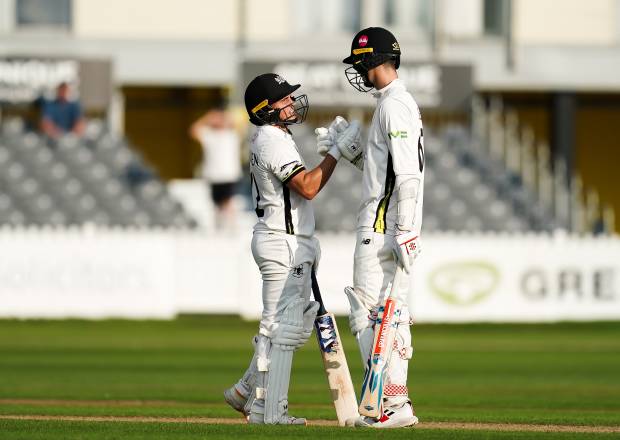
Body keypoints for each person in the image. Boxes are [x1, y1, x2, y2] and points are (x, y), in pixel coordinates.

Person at [223, 73, 351, 425]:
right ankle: (269, 411)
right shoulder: (271, 140)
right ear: (266, 109)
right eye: (285, 99)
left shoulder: (272, 136)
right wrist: (336, 153)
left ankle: (246, 392)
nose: (292, 103)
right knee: (284, 328)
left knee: (280, 326)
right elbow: (308, 187)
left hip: (282, 238)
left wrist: (330, 153)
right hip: (282, 241)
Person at [317, 27, 424, 428]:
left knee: (368, 312)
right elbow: (387, 172)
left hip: (382, 224)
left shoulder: (395, 106)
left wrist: (405, 228)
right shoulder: (398, 104)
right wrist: (353, 152)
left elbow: (407, 175)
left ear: (375, 60)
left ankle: (390, 405)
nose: (358, 71)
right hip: (391, 222)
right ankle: (395, 404)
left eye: (360, 62)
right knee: (389, 314)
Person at [189, 105, 242, 230]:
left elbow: (241, 124)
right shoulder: (209, 134)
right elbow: (193, 130)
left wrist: (225, 118)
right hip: (214, 175)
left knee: (229, 202)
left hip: (229, 175)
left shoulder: (232, 134)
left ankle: (232, 228)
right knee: (216, 204)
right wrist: (208, 118)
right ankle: (219, 229)